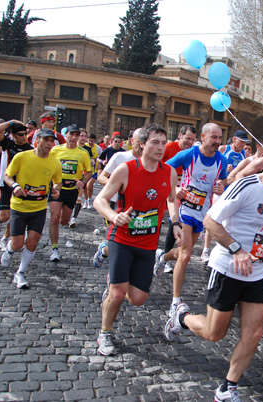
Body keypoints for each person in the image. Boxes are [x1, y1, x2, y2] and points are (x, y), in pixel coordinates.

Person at [164, 138, 263, 402]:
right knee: (215, 334)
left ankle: (228, 387)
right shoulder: (245, 186)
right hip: (227, 269)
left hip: (257, 274)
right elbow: (211, 221)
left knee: (255, 333)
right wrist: (237, 249)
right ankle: (180, 319)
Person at [94, 124, 183, 356]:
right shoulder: (126, 169)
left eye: (164, 143)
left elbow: (172, 199)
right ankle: (105, 333)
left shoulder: (169, 172)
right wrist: (114, 216)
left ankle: (112, 277)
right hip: (121, 238)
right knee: (117, 293)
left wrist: (175, 223)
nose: (160, 147)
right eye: (155, 142)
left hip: (148, 243)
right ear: (141, 144)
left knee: (137, 299)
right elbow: (99, 200)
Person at [158, 123, 227, 317]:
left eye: (220, 138)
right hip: (185, 209)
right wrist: (175, 188)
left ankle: (161, 257)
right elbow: (164, 169)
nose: (217, 141)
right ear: (203, 138)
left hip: (202, 213)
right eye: (214, 137)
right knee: (186, 255)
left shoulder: (220, 160)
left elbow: (224, 181)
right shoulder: (190, 154)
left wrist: (222, 186)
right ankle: (175, 301)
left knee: (181, 253)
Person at [0, 128, 63, 289]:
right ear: (37, 140)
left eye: (52, 141)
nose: (50, 144)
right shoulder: (22, 157)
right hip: (19, 206)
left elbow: (58, 181)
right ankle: (9, 250)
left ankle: (20, 273)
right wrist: (14, 186)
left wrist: (56, 189)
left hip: (39, 208)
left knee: (33, 241)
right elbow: (7, 175)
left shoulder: (55, 163)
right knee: (17, 243)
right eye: (46, 140)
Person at [92, 128, 143, 269]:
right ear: (131, 141)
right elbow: (101, 176)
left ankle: (105, 250)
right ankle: (107, 255)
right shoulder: (120, 157)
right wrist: (118, 185)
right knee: (119, 243)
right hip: (117, 204)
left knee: (131, 244)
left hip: (139, 207)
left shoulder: (152, 161)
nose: (141, 144)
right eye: (139, 140)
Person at [200, 130, 250, 264]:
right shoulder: (223, 149)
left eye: (245, 142)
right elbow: (213, 163)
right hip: (220, 188)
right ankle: (205, 250)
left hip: (233, 191)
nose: (243, 144)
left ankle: (221, 246)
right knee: (214, 217)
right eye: (241, 141)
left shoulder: (244, 155)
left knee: (226, 221)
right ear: (234, 140)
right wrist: (224, 167)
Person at [48, 124, 92, 261]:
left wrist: (83, 182)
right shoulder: (56, 150)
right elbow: (46, 164)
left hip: (72, 190)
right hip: (57, 188)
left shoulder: (83, 153)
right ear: (66, 135)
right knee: (54, 218)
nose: (73, 137)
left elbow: (89, 172)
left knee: (63, 221)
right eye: (71, 134)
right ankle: (54, 249)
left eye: (76, 135)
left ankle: (64, 218)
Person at [156, 125, 197, 274]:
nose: (190, 142)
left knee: (176, 222)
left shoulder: (192, 152)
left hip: (179, 193)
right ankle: (149, 250)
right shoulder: (168, 148)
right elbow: (158, 165)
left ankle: (164, 255)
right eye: (187, 138)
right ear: (180, 135)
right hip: (162, 187)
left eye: (193, 140)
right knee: (157, 219)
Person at [0, 120, 33, 248]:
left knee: (15, 215)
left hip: (20, 186)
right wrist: (11, 122)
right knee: (5, 216)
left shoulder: (29, 149)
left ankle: (5, 237)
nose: (24, 137)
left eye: (25, 134)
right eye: (20, 134)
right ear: (13, 136)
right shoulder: (7, 144)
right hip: (5, 184)